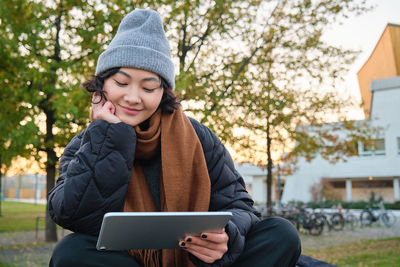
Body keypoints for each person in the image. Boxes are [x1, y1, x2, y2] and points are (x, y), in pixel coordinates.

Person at [48, 9, 301, 267]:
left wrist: (226, 236)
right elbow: (73, 216)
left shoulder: (198, 137)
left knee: (280, 234)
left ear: (163, 92)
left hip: (196, 262)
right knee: (70, 252)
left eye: (148, 87)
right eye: (121, 83)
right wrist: (109, 136)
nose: (133, 97)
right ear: (102, 86)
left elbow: (239, 204)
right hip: (127, 262)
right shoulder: (85, 143)